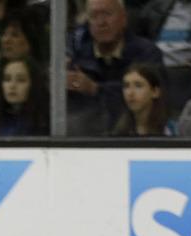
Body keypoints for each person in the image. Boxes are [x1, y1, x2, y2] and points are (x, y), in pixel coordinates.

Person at [67, 0, 164, 135]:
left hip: (137, 133)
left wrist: (95, 89)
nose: (101, 23)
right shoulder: (78, 57)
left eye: (107, 14)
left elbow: (150, 99)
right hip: (89, 136)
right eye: (94, 16)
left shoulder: (147, 53)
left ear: (123, 18)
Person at [0, 57, 48, 135]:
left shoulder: (46, 121)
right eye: (7, 79)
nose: (12, 86)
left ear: (33, 85)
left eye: (21, 80)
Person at [110, 61, 172, 135]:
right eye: (126, 86)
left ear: (155, 92)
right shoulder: (117, 130)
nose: (130, 93)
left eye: (138, 86)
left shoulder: (170, 130)